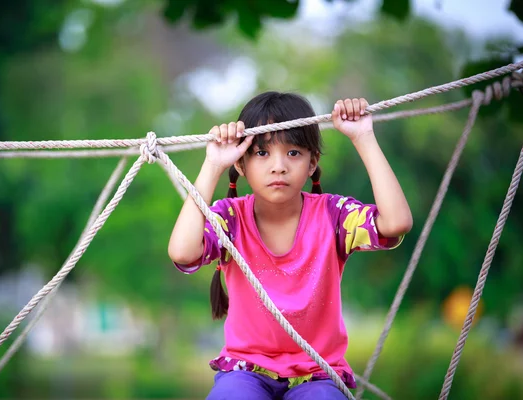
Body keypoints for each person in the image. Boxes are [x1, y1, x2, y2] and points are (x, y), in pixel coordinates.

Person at [168, 91, 413, 399]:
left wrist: (363, 137)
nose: (279, 166)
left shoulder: (333, 216)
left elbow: (395, 223)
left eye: (293, 153)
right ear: (241, 165)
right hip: (245, 372)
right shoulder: (231, 218)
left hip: (318, 375)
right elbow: (183, 252)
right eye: (262, 153)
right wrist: (213, 164)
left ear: (313, 163)